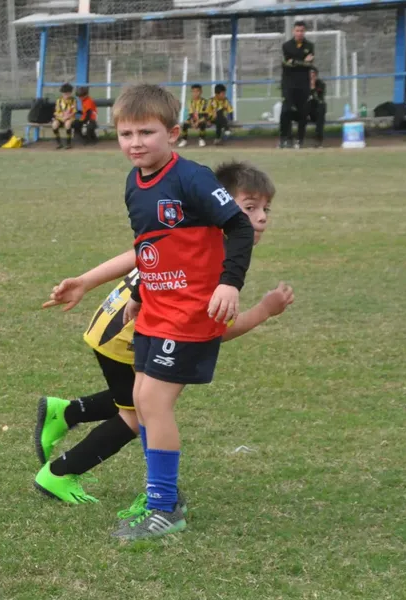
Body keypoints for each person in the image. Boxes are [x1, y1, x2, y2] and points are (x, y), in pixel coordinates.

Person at [34, 162, 292, 506]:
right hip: (127, 337)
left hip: (114, 328)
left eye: (265, 209)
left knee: (145, 401)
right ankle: (62, 473)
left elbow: (140, 255)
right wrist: (264, 311)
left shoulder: (200, 238)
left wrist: (88, 281)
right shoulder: (209, 246)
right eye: (249, 208)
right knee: (140, 414)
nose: (261, 218)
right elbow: (210, 332)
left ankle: (68, 413)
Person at [102, 83, 254, 540]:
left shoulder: (192, 178)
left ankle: (164, 508)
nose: (135, 143)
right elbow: (153, 248)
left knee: (152, 401)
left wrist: (230, 282)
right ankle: (160, 498)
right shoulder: (134, 183)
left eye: (146, 132)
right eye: (125, 134)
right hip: (156, 308)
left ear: (174, 133)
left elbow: (240, 227)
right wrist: (139, 294)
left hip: (191, 312)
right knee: (142, 397)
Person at [279, 20, 315, 149]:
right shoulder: (286, 46)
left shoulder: (310, 46)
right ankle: (285, 139)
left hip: (303, 85)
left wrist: (295, 61)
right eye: (297, 30)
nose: (299, 33)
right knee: (286, 111)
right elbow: (287, 63)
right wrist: (302, 62)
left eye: (302, 31)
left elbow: (310, 64)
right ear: (294, 31)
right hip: (289, 84)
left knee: (302, 113)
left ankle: (300, 140)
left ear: (304, 31)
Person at [52, 83, 76, 149]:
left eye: (67, 94)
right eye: (64, 94)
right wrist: (61, 116)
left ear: (70, 93)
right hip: (60, 118)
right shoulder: (58, 101)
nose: (66, 95)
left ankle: (68, 143)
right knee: (54, 125)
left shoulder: (73, 100)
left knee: (67, 124)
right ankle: (58, 142)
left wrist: (67, 116)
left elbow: (74, 111)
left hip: (69, 118)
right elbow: (56, 112)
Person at [307, 67, 327, 148]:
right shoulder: (303, 85)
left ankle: (318, 141)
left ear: (316, 75)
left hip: (317, 110)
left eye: (313, 74)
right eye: (310, 74)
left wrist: (312, 87)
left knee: (321, 107)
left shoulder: (321, 84)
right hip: (307, 111)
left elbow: (319, 98)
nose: (311, 76)